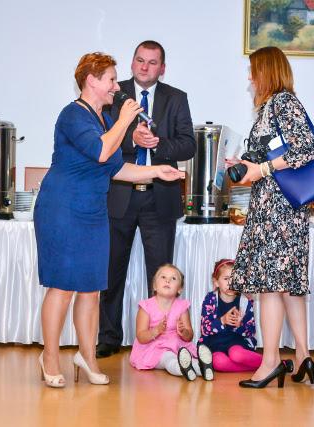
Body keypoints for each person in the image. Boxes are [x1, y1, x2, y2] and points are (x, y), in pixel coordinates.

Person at [33, 52, 184, 388]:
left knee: (91, 290)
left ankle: (87, 357)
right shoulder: (73, 115)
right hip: (62, 209)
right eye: (112, 80)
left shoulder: (103, 119)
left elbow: (115, 168)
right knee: (62, 287)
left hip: (93, 211)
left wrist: (157, 171)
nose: (117, 87)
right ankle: (50, 357)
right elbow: (101, 151)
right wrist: (125, 120)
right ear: (92, 81)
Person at [97, 40, 196, 359]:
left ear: (162, 68)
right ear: (132, 62)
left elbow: (188, 145)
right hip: (119, 196)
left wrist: (158, 143)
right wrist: (132, 139)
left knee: (161, 276)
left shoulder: (176, 98)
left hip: (159, 198)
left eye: (152, 62)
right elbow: (102, 139)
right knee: (112, 272)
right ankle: (109, 337)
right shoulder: (115, 93)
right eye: (140, 60)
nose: (144, 66)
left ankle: (159, 339)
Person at [228, 46, 314, 389]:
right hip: (276, 206)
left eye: (253, 71)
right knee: (287, 287)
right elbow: (271, 156)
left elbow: (307, 148)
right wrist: (245, 166)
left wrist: (262, 168)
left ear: (266, 71)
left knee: (269, 287)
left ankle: (269, 363)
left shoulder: (283, 102)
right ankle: (304, 355)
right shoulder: (271, 106)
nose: (250, 78)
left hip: (278, 210)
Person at [129, 264, 214, 381]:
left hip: (176, 344)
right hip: (154, 347)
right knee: (168, 358)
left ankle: (202, 368)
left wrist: (184, 332)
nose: (167, 280)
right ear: (154, 286)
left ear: (179, 289)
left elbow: (189, 336)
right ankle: (182, 369)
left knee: (186, 356)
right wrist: (156, 331)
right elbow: (141, 337)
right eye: (163, 277)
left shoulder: (182, 306)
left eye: (173, 278)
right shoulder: (146, 307)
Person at [198, 259, 262, 372]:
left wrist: (240, 325)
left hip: (237, 342)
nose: (231, 283)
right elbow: (205, 329)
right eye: (226, 278)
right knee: (218, 362)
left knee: (237, 354)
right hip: (215, 343)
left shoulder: (245, 301)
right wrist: (222, 320)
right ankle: (259, 366)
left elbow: (251, 332)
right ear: (216, 282)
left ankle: (271, 363)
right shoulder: (210, 299)